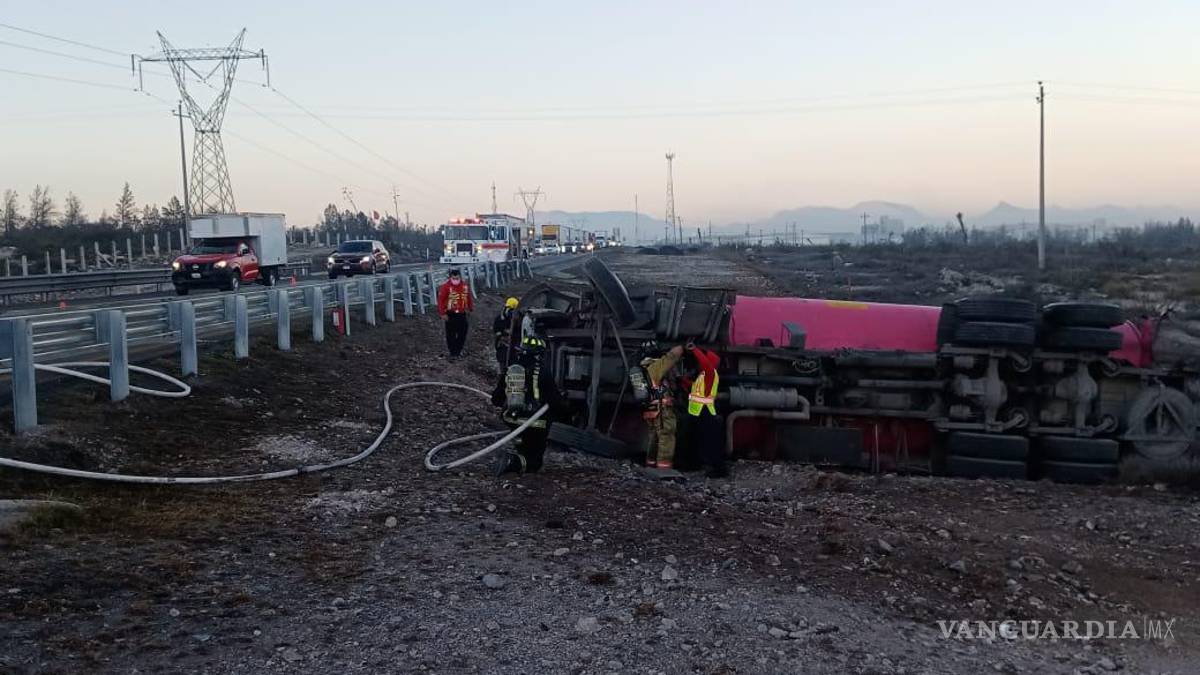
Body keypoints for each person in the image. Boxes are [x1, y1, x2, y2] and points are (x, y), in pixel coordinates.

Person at [490, 332, 568, 473]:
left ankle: (517, 455)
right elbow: (554, 401)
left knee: (524, 447)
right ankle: (511, 461)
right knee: (535, 462)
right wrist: (565, 412)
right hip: (535, 422)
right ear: (540, 354)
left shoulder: (511, 370)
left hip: (512, 419)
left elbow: (496, 399)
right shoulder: (543, 372)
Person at [640, 344, 684, 469]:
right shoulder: (655, 367)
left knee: (654, 436)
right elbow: (671, 357)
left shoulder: (644, 366)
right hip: (662, 409)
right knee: (666, 435)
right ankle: (664, 468)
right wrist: (682, 347)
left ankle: (651, 464)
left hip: (651, 409)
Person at [686, 344, 728, 478]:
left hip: (705, 412)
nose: (698, 364)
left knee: (710, 441)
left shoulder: (710, 372)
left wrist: (694, 350)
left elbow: (706, 365)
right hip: (698, 412)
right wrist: (682, 381)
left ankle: (718, 469)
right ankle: (697, 463)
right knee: (699, 439)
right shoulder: (703, 376)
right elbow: (696, 389)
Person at [437, 268, 474, 358]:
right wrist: (442, 313)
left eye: (457, 278)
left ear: (460, 277)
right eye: (454, 278)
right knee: (451, 334)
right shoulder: (445, 287)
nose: (456, 280)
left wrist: (470, 308)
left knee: (463, 332)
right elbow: (440, 301)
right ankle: (453, 352)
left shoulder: (464, 286)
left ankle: (458, 350)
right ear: (450, 278)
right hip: (450, 314)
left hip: (462, 313)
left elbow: (468, 297)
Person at [493, 297, 520, 369]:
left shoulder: (517, 320)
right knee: (503, 359)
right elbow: (496, 331)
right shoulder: (500, 319)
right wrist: (504, 334)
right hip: (503, 345)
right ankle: (503, 373)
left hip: (514, 346)